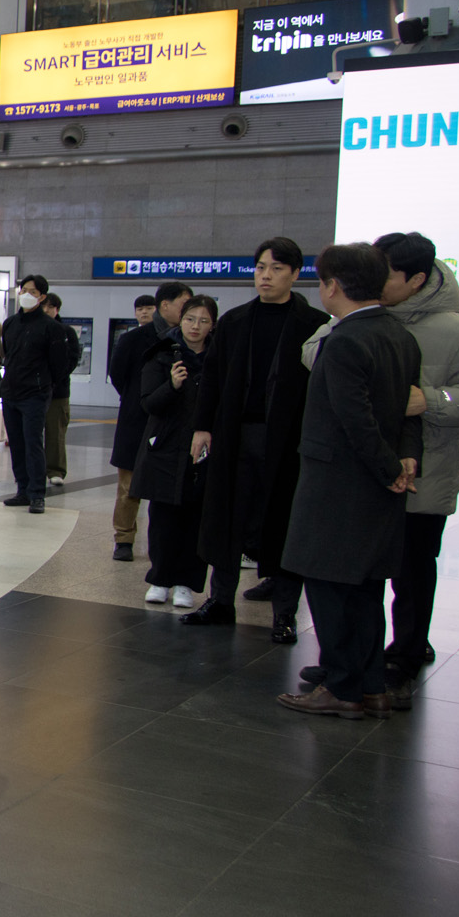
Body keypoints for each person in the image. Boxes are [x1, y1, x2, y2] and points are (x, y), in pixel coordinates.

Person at [301, 232, 459, 707]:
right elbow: (313, 355)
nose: (378, 279)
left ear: (418, 279)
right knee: (358, 575)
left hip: (422, 473)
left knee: (409, 572)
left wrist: (434, 400)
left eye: (388, 273)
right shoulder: (355, 322)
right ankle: (353, 668)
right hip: (371, 475)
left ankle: (402, 658)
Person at [277, 243, 421, 719]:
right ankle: (371, 685)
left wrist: (387, 468)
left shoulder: (344, 340)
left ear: (333, 285)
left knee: (330, 588)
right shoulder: (400, 336)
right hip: (377, 487)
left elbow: (354, 420)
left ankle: (341, 688)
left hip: (338, 486)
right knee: (365, 589)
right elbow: (407, 411)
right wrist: (403, 462)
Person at [186, 238, 330, 641]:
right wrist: (203, 427)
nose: (265, 275)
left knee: (283, 522)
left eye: (276, 269)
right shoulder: (234, 321)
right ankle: (220, 600)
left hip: (288, 441)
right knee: (226, 516)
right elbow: (212, 378)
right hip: (237, 434)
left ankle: (284, 613)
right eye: (261, 267)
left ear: (296, 274)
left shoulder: (313, 324)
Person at [131, 296, 217, 608]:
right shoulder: (162, 354)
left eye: (204, 320)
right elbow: (149, 404)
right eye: (190, 318)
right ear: (180, 320)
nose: (196, 326)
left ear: (212, 325)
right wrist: (172, 385)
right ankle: (160, 579)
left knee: (195, 518)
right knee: (163, 518)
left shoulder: (219, 357)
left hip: (202, 449)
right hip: (165, 447)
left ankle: (187, 583)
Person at [108, 282, 193, 562]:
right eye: (184, 304)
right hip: (137, 419)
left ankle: (164, 544)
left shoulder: (189, 340)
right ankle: (124, 538)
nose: (188, 311)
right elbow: (118, 375)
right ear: (164, 305)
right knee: (128, 487)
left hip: (172, 421)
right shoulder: (135, 339)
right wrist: (138, 399)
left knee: (167, 487)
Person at [1, 274, 53, 512]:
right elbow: (8, 354)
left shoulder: (49, 327)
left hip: (35, 394)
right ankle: (22, 489)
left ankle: (37, 494)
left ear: (42, 297)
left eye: (32, 292)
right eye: (23, 290)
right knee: (17, 443)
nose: (26, 295)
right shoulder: (11, 323)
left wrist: (44, 385)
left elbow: (60, 364)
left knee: (33, 443)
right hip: (11, 392)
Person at [41, 293, 80, 486]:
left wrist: (54, 378)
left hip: (58, 392)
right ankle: (33, 470)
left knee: (55, 432)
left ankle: (55, 470)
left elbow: (71, 360)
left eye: (50, 307)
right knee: (31, 433)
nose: (46, 311)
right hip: (34, 391)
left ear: (57, 309)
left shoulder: (66, 331)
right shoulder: (34, 328)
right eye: (43, 306)